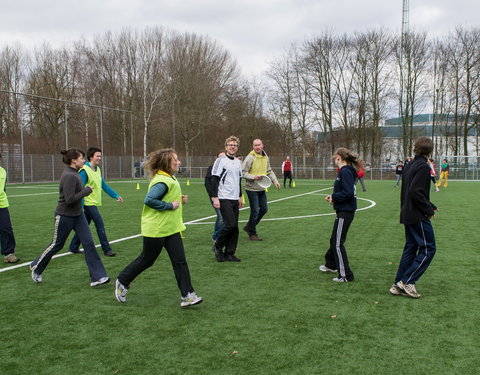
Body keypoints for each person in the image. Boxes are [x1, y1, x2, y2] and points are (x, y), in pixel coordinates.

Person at [114, 148, 202, 307]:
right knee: (147, 260)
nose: (179, 162)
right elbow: (149, 200)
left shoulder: (170, 178)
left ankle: (188, 295)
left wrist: (178, 200)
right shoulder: (162, 180)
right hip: (156, 229)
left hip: (171, 228)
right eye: (176, 160)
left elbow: (166, 197)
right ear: (167, 163)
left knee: (180, 261)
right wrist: (170, 205)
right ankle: (122, 280)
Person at [30, 148, 110, 287]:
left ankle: (98, 277)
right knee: (57, 244)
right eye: (81, 158)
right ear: (73, 160)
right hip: (64, 216)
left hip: (78, 215)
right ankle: (36, 266)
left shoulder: (76, 173)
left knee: (89, 243)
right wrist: (87, 191)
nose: (84, 161)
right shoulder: (69, 176)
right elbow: (69, 199)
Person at [390, 137, 438, 299]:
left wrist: (430, 204)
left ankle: (398, 283)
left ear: (415, 149)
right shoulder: (423, 167)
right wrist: (428, 209)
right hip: (417, 214)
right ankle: (408, 281)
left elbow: (411, 191)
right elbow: (416, 192)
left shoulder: (409, 164)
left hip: (407, 212)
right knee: (428, 248)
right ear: (430, 151)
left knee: (411, 247)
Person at [68, 147, 123, 256]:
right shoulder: (84, 170)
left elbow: (103, 185)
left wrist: (116, 195)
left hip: (92, 203)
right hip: (88, 203)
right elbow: (80, 189)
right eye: (98, 156)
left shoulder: (97, 170)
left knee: (84, 225)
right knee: (100, 224)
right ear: (91, 157)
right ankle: (107, 250)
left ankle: (73, 246)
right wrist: (81, 206)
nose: (100, 158)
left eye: (100, 156)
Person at [319, 148, 362, 283]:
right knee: (334, 240)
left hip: (346, 211)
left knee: (337, 243)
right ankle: (331, 264)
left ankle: (346, 275)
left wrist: (334, 196)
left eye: (334, 158)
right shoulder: (346, 171)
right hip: (344, 210)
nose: (334, 161)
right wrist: (334, 198)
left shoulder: (345, 172)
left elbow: (348, 192)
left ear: (338, 157)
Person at [211, 136, 243, 262]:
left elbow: (239, 180)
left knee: (235, 228)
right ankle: (218, 246)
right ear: (226, 147)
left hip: (235, 198)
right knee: (230, 225)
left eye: (235, 145)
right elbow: (214, 179)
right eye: (230, 145)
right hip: (223, 197)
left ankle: (229, 253)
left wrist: (240, 196)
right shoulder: (221, 161)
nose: (232, 147)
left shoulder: (238, 162)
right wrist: (215, 197)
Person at [242, 139, 280, 241]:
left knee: (264, 209)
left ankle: (249, 226)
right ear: (253, 147)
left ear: (262, 145)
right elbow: (243, 173)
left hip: (261, 188)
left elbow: (269, 170)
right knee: (255, 211)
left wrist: (275, 181)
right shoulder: (250, 158)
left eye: (259, 145)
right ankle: (252, 233)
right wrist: (254, 177)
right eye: (255, 145)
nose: (257, 147)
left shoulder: (265, 157)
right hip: (251, 188)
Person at [0, 153, 19, 264]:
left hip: (2, 204)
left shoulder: (3, 171)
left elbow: (3, 188)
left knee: (6, 228)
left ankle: (8, 254)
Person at [204, 151, 225, 249]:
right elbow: (208, 183)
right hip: (215, 197)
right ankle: (215, 237)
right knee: (221, 217)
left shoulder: (227, 168)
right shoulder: (211, 168)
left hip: (226, 196)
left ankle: (224, 237)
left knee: (226, 218)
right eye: (220, 157)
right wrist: (213, 196)